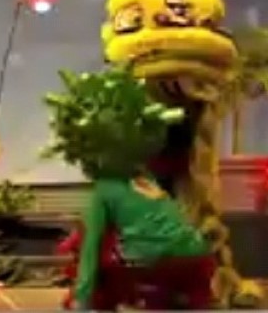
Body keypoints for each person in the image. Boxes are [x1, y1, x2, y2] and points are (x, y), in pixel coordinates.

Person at [44, 67, 215, 310]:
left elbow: (91, 249)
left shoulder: (105, 189)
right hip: (198, 257)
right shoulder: (147, 179)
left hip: (151, 262)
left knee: (108, 257)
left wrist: (81, 300)